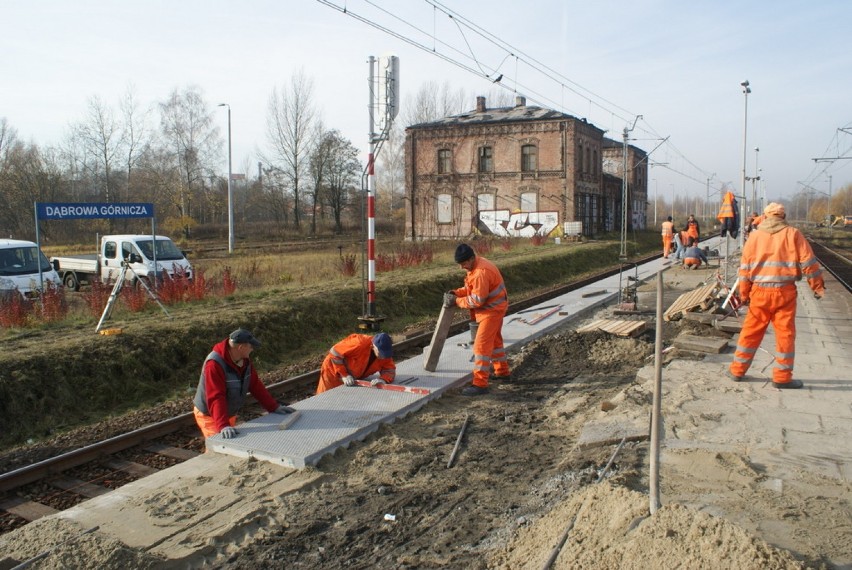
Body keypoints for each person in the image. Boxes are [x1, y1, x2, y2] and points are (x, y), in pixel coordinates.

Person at [728, 203, 824, 389]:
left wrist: (744, 294)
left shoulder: (754, 237)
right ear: (783, 216)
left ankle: (737, 371)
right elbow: (809, 262)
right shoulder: (793, 234)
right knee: (785, 335)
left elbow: (744, 269)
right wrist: (817, 287)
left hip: (759, 293)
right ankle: (782, 377)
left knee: (750, 332)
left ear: (765, 216)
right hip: (784, 292)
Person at [193, 329, 295, 441]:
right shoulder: (214, 365)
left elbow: (255, 385)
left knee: (231, 445)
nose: (252, 349)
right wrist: (223, 425)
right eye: (251, 347)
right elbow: (216, 396)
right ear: (241, 348)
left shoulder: (244, 360)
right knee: (219, 447)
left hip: (227, 412)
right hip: (210, 416)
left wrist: (273, 407)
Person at [443, 243, 510, 396]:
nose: (462, 267)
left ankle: (480, 384)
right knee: (495, 342)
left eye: (464, 263)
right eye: (460, 264)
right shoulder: (475, 266)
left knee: (481, 347)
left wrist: (457, 301)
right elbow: (471, 289)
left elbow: (477, 300)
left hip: (491, 311)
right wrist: (457, 292)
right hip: (494, 309)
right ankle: (502, 372)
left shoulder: (481, 272)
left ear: (472, 258)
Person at [316, 332, 396, 394]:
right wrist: (344, 375)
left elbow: (390, 369)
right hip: (332, 372)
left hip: (352, 377)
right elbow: (335, 352)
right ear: (374, 346)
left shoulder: (384, 354)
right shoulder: (359, 342)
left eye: (386, 354)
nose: (383, 357)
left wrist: (383, 380)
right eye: (381, 353)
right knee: (324, 398)